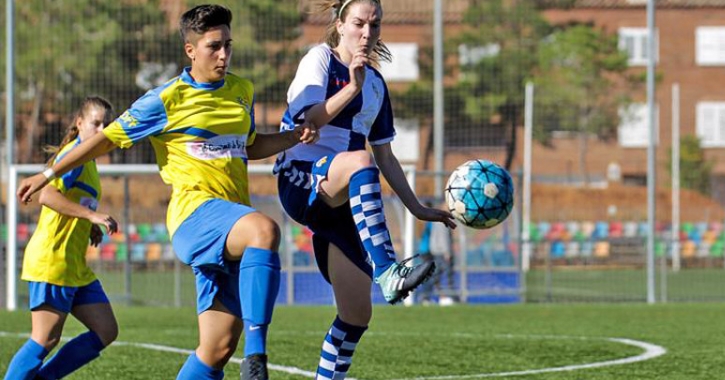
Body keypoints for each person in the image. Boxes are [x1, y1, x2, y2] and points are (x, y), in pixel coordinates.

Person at [17, 5, 318, 380]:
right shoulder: (165, 100)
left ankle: (240, 356)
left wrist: (292, 137)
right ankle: (257, 359)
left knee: (217, 350)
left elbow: (248, 144)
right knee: (265, 230)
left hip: (231, 219)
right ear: (191, 50)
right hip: (194, 215)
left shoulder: (242, 90)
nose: (224, 54)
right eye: (213, 47)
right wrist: (47, 173)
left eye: (228, 45)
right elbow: (104, 142)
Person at [274, 0, 455, 378]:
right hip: (302, 177)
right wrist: (350, 86)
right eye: (358, 23)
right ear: (340, 24)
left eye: (375, 25)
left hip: (340, 196)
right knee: (358, 160)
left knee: (356, 314)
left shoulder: (375, 84)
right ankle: (388, 270)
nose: (367, 33)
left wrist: (417, 208)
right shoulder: (319, 59)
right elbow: (307, 121)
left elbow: (386, 157)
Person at [4, 96, 120, 380]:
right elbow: (47, 195)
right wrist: (91, 216)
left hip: (73, 266)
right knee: (44, 339)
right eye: (96, 123)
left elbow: (74, 201)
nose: (102, 129)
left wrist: (88, 223)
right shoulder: (75, 154)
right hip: (52, 260)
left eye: (107, 124)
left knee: (106, 329)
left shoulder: (88, 161)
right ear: (79, 124)